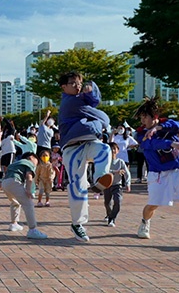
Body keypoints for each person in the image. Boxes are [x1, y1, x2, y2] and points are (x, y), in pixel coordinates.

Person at [133, 97, 179, 243]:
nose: (142, 121)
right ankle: (145, 223)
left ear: (155, 117)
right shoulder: (140, 134)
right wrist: (172, 143)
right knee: (153, 205)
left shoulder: (165, 125)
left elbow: (176, 124)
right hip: (158, 174)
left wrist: (158, 128)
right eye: (141, 118)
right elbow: (154, 144)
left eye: (145, 117)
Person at [58, 71, 113, 242]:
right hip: (72, 148)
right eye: (73, 83)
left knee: (104, 149)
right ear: (64, 87)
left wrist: (90, 90)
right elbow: (101, 115)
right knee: (78, 186)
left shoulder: (81, 99)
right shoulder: (70, 102)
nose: (78, 86)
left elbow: (94, 101)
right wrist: (103, 122)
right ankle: (77, 224)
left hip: (89, 142)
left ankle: (99, 179)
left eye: (80, 83)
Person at [1, 152, 48, 239]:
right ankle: (32, 230)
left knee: (15, 202)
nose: (36, 164)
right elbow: (29, 177)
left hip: (5, 183)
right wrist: (28, 190)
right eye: (36, 161)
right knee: (28, 203)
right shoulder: (28, 162)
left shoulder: (15, 163)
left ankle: (14, 224)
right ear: (31, 157)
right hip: (14, 181)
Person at [103, 142, 131, 227]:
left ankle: (112, 219)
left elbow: (127, 173)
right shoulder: (105, 162)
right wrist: (115, 172)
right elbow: (104, 172)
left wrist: (128, 183)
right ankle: (109, 214)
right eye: (111, 149)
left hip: (117, 185)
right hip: (107, 184)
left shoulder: (120, 162)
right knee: (107, 203)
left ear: (118, 150)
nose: (113, 151)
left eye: (115, 149)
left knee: (118, 201)